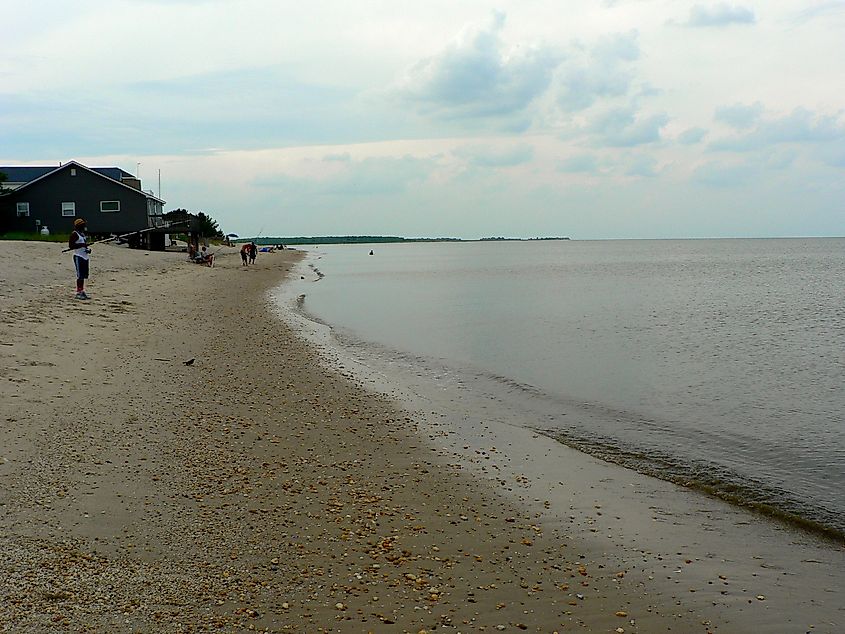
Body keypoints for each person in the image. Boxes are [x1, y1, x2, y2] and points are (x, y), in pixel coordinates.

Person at [68, 218, 92, 300]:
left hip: (85, 256)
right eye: (83, 225)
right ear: (79, 225)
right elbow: (71, 246)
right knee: (80, 275)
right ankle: (79, 292)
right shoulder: (74, 234)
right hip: (78, 256)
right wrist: (82, 244)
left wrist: (87, 249)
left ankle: (82, 291)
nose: (85, 226)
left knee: (84, 275)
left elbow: (84, 245)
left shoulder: (82, 234)